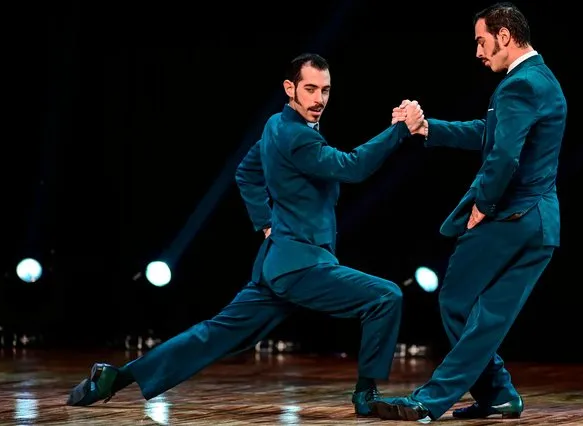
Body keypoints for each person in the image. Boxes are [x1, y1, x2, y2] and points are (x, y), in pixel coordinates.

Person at [65, 53, 425, 416]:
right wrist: (399, 131)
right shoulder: (298, 137)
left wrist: (266, 222)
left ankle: (115, 379)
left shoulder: (275, 126)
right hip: (301, 266)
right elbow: (353, 167)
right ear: (290, 89)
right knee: (386, 296)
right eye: (311, 89)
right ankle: (367, 396)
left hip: (278, 264)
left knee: (214, 334)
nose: (319, 99)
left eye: (326, 90)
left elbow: (247, 173)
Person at [371, 2, 567, 422]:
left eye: (481, 41)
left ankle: (431, 400)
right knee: (487, 315)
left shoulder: (521, 85)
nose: (478, 52)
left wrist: (484, 204)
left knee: (458, 299)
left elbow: (504, 157)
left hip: (511, 217)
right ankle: (498, 394)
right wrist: (426, 128)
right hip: (541, 225)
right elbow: (489, 134)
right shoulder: (539, 79)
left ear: (504, 36)